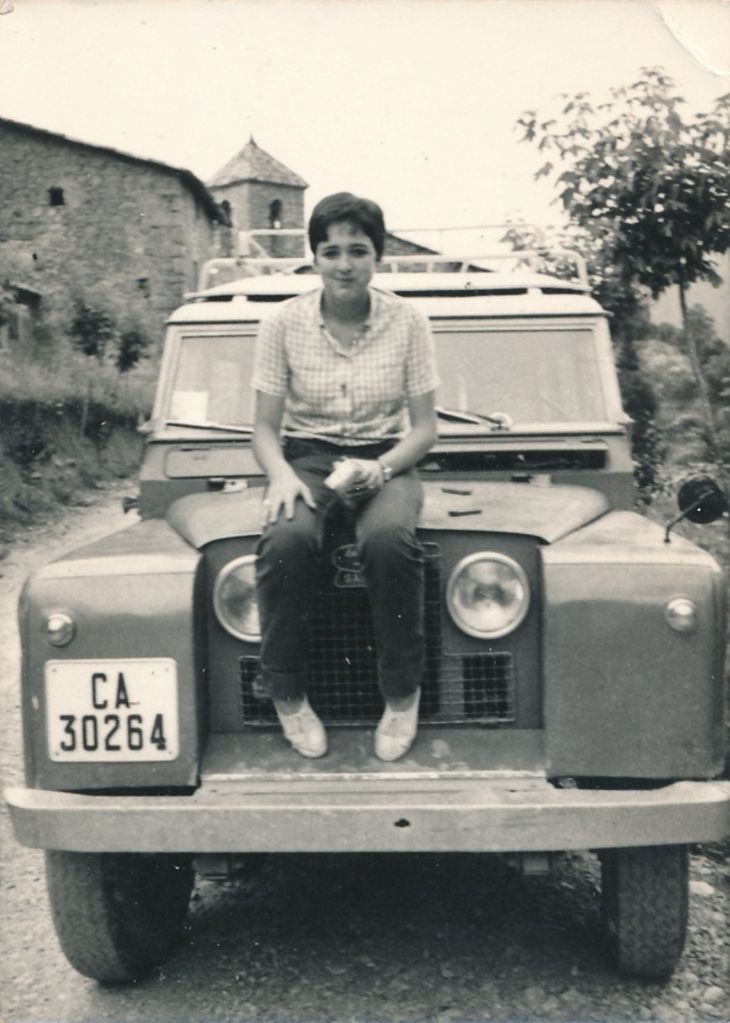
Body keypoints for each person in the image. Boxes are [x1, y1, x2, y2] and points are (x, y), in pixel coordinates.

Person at [251, 192, 439, 761]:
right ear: (314, 258)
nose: (344, 264)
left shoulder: (409, 322)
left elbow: (426, 429)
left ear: (377, 256)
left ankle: (401, 697)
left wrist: (380, 468)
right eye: (330, 251)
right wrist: (281, 475)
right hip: (307, 456)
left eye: (358, 250)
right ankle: (287, 695)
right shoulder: (281, 322)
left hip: (386, 456)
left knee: (389, 543)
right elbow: (262, 429)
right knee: (285, 539)